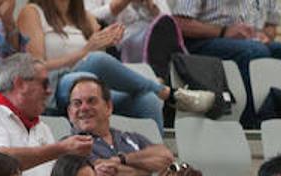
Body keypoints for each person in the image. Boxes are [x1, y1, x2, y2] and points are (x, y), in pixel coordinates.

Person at [21, 7, 208, 125]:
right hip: (54, 85)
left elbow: (100, 53)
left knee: (147, 100)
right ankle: (168, 93)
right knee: (94, 61)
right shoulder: (32, 12)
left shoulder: (84, 16)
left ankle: (158, 166)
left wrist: (113, 40)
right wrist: (85, 51)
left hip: (92, 83)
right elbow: (36, 66)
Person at [64, 74, 176, 176]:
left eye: (91, 101)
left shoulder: (131, 138)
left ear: (108, 107)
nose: (84, 108)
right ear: (69, 112)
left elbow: (166, 157)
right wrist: (148, 168)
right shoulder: (72, 144)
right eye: (77, 103)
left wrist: (121, 159)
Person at [170, 0, 281, 127]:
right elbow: (179, 23)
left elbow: (271, 25)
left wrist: (265, 35)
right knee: (254, 52)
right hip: (205, 41)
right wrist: (223, 32)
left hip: (252, 42)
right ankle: (250, 122)